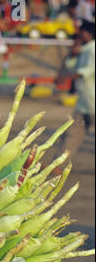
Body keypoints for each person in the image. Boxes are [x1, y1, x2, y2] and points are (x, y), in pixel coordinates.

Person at [54, 19, 95, 173]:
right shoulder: (85, 51)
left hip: (93, 101)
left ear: (88, 33)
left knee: (73, 133)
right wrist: (72, 54)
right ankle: (58, 165)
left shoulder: (93, 50)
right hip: (84, 102)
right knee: (71, 134)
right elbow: (72, 66)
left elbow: (87, 71)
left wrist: (67, 77)